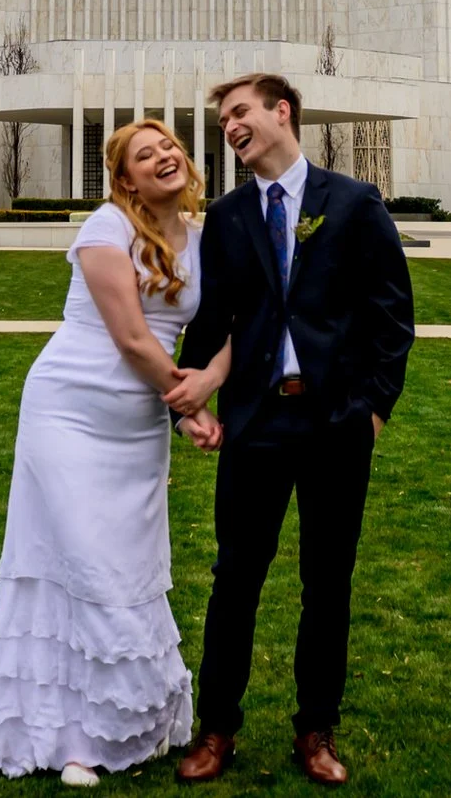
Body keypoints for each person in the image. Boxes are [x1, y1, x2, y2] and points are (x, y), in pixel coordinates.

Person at [163, 73, 415, 787]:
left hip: (337, 424)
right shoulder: (230, 214)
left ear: (282, 112)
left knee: (327, 582)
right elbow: (214, 323)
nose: (229, 127)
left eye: (238, 112)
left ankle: (315, 728)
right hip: (257, 422)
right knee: (235, 578)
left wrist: (372, 408)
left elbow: (392, 319)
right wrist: (192, 403)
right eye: (222, 120)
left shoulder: (355, 203)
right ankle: (217, 728)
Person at [0, 118, 231, 787]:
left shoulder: (206, 239)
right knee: (80, 561)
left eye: (169, 145)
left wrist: (210, 381)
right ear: (125, 178)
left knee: (126, 564)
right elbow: (134, 339)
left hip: (138, 423)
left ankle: (133, 719)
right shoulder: (105, 227)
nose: (164, 155)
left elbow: (240, 324)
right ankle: (73, 737)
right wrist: (191, 405)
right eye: (146, 154)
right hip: (68, 410)